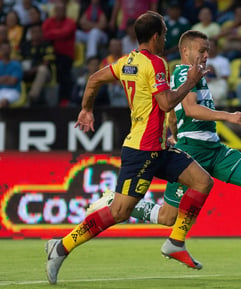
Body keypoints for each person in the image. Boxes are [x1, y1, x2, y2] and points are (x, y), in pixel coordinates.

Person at [88, 30, 241, 270]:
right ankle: (114, 200)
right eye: (201, 50)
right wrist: (228, 116)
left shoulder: (198, 75)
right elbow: (192, 109)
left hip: (213, 148)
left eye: (208, 50)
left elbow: (174, 115)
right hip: (193, 151)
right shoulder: (183, 73)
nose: (206, 55)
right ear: (185, 51)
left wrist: (174, 132)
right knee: (168, 218)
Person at [45, 11, 213, 285]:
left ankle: (176, 242)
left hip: (158, 147)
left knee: (202, 181)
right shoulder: (156, 62)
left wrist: (87, 109)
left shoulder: (127, 61)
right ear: (156, 36)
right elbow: (166, 103)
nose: (166, 38)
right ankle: (61, 247)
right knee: (119, 212)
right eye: (165, 34)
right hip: (142, 152)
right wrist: (190, 81)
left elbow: (94, 79)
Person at [42, 0, 76, 107]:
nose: (60, 12)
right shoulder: (48, 21)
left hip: (65, 55)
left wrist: (52, 33)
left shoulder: (70, 22)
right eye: (58, 10)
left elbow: (66, 32)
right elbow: (44, 34)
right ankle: (41, 101)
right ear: (54, 11)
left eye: (62, 10)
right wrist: (58, 33)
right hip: (50, 54)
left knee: (64, 72)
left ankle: (63, 100)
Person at [0, 41, 23, 108]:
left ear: (10, 50)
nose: (5, 51)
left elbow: (13, 81)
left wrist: (2, 79)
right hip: (0, 90)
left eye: (7, 48)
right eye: (3, 49)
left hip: (13, 91)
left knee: (4, 102)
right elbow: (10, 80)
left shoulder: (16, 64)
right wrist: (7, 78)